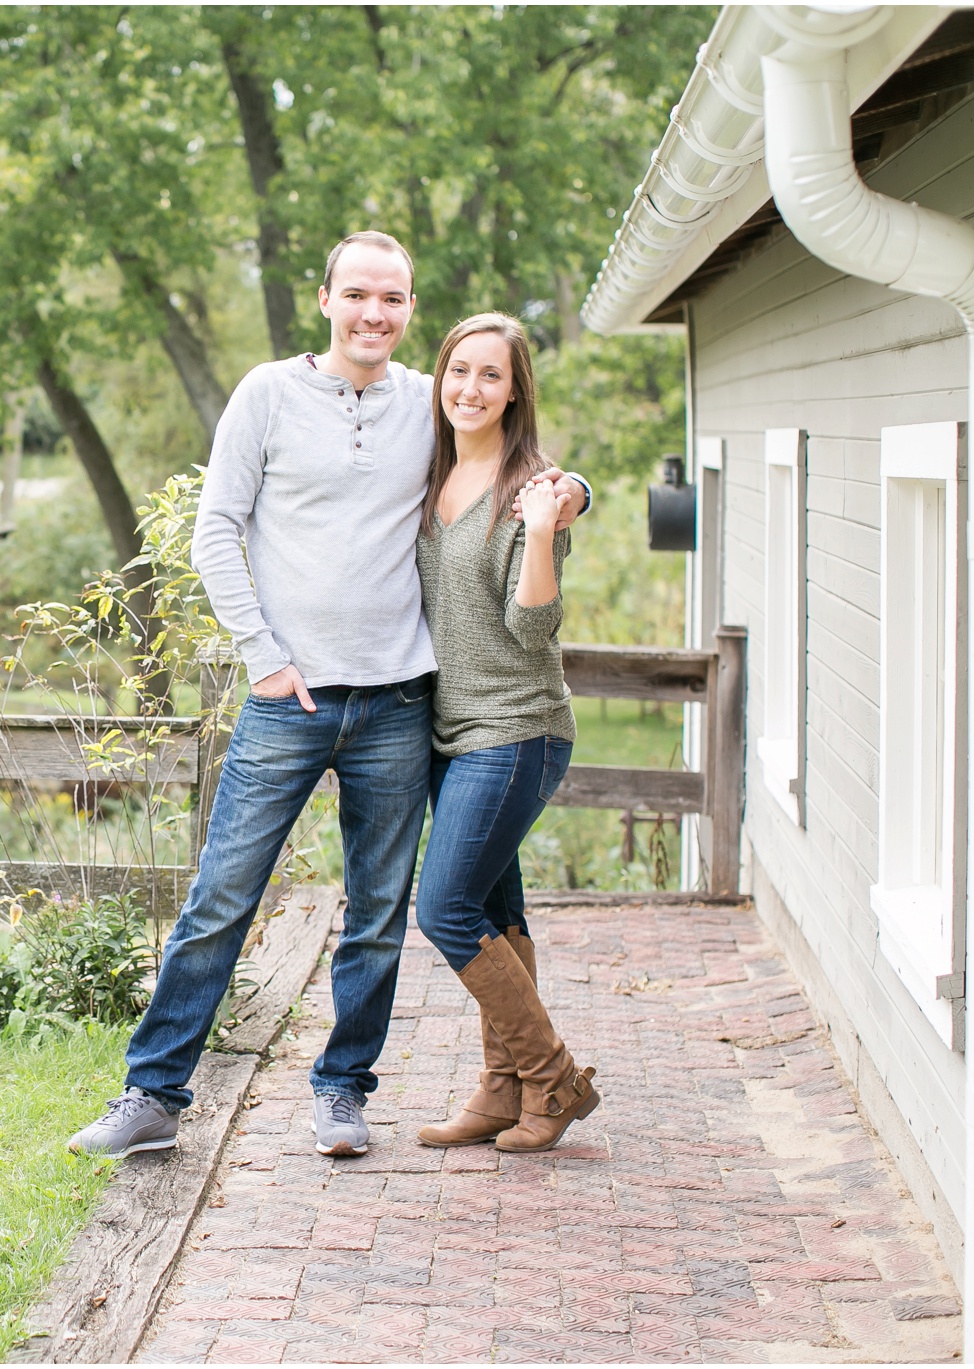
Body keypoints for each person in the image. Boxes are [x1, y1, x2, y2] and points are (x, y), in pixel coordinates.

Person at [69, 232, 591, 1160]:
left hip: (398, 704)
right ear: (325, 299)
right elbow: (215, 531)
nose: (373, 314)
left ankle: (343, 1092)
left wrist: (573, 491)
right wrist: (263, 655)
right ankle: (152, 1094)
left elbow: (516, 459)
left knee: (379, 914)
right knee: (222, 896)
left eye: (392, 299)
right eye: (357, 295)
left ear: (409, 312)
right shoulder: (267, 394)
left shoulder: (421, 410)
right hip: (288, 699)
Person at [412, 312, 599, 1153]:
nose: (470, 389)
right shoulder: (426, 476)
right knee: (494, 908)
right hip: (449, 734)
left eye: (491, 375)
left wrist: (551, 519)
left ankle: (551, 1078)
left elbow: (535, 627)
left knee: (445, 907)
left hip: (517, 730)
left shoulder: (533, 490)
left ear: (516, 388)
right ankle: (502, 1088)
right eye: (458, 370)